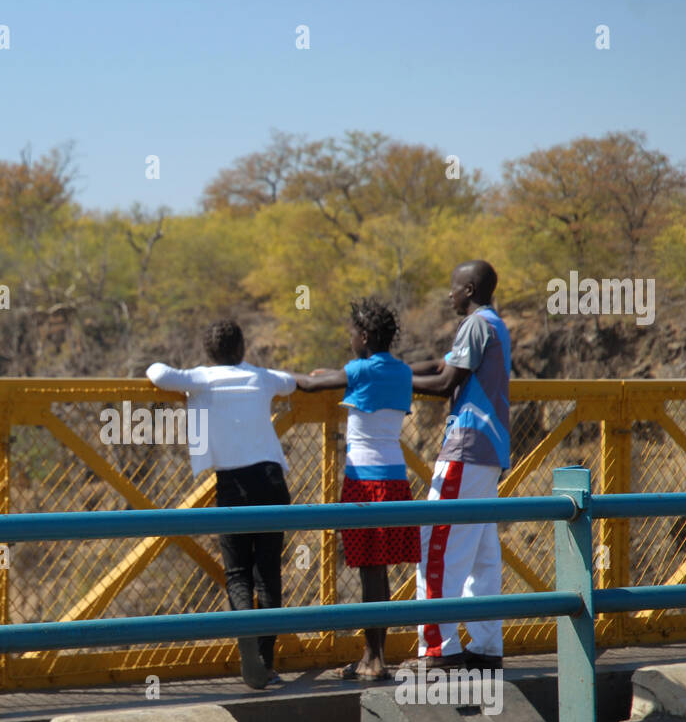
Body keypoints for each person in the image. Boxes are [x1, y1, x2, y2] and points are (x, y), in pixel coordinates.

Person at [147, 320, 297, 690]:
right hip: (272, 481)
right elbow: (291, 382)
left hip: (234, 484)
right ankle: (266, 659)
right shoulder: (261, 377)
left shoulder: (201, 379)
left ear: (209, 353)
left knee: (238, 573)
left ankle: (243, 630)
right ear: (242, 347)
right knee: (269, 573)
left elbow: (158, 374)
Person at [294, 297, 420, 681]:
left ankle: (373, 659)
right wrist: (341, 372)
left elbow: (313, 384)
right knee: (379, 573)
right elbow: (367, 378)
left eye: (352, 333)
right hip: (396, 480)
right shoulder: (400, 372)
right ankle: (375, 654)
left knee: (369, 572)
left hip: (365, 481)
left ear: (363, 336)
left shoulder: (358, 371)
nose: (349, 337)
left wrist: (273, 378)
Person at [408, 260, 510, 672]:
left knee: (438, 543)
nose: (448, 295)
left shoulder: (474, 325)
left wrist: (389, 383)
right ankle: (486, 647)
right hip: (491, 450)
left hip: (466, 447)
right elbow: (440, 366)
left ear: (468, 289)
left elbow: (446, 381)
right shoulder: (493, 323)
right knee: (482, 552)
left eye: (452, 288)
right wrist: (391, 370)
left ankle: (438, 648)